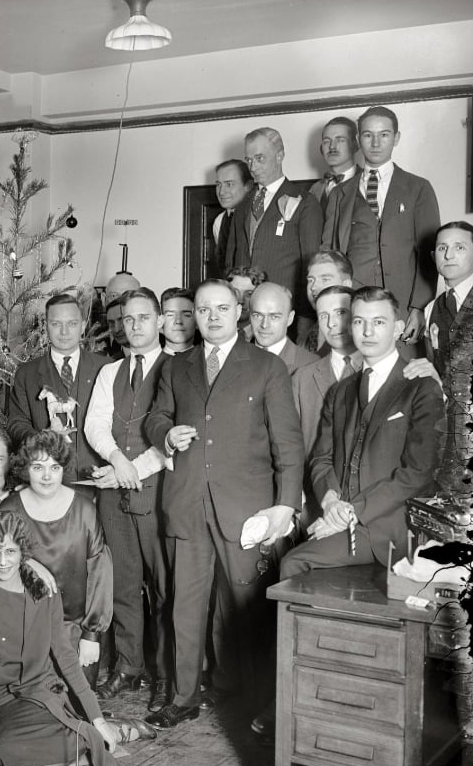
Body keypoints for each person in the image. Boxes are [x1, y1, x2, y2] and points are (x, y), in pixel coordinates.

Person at [144, 278, 303, 729]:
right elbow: (158, 415)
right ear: (192, 316)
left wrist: (286, 505)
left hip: (246, 510)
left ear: (239, 312)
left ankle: (260, 703)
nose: (211, 317)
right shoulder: (177, 367)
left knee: (248, 610)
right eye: (202, 309)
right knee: (185, 605)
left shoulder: (265, 367)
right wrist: (165, 433)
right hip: (188, 502)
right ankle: (183, 696)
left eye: (221, 308)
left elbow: (288, 446)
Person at [0, 511, 141, 766]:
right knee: (2, 747)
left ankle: (106, 725)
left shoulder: (43, 591)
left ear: (23, 552)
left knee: (74, 740)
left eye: (12, 552)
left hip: (31, 694)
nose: (3, 562)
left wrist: (97, 717)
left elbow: (65, 655)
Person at [280, 286, 444, 580]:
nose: (367, 331)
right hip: (343, 517)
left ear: (397, 329)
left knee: (295, 563)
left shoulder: (421, 386)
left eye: (378, 322)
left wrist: (351, 514)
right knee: (295, 558)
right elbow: (321, 458)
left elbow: (418, 473)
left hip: (390, 527)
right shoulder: (341, 390)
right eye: (358, 321)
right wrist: (330, 503)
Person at [85, 288, 173, 711]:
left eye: (144, 318)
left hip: (157, 494)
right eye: (128, 319)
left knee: (161, 587)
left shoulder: (178, 369)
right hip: (113, 493)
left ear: (160, 322)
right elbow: (95, 425)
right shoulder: (110, 372)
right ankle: (128, 666)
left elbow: (178, 437)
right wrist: (118, 460)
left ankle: (165, 673)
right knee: (122, 583)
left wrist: (133, 470)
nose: (135, 326)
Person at [0, 430, 112, 689]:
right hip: (24, 632)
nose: (47, 476)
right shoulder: (8, 510)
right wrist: (24, 560)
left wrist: (91, 635)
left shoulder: (85, 510)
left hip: (76, 630)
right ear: (26, 469)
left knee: (79, 711)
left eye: (54, 467)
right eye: (38, 467)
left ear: (64, 468)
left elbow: (100, 574)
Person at [323, 106, 441, 347]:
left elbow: (429, 256)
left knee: (405, 379)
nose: (375, 143)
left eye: (384, 135)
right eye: (368, 135)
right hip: (353, 310)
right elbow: (330, 256)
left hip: (402, 312)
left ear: (396, 138)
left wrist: (418, 308)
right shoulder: (339, 194)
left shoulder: (418, 188)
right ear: (358, 139)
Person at [226, 127, 323, 338]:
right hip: (244, 318)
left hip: (285, 315)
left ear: (280, 156)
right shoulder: (243, 206)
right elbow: (231, 264)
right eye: (249, 160)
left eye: (260, 158)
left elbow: (311, 266)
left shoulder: (305, 203)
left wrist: (305, 317)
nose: (253, 167)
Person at [6, 293, 109, 482]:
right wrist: (42, 439)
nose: (64, 332)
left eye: (71, 323)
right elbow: (16, 423)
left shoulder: (107, 368)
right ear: (46, 327)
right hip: (47, 481)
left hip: (98, 478)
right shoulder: (26, 374)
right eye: (56, 324)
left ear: (83, 326)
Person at [423, 220, 473, 495]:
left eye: (459, 247)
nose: (448, 255)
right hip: (448, 438)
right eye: (442, 248)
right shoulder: (432, 309)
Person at [292, 285, 359, 465]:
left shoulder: (380, 370)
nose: (331, 323)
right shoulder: (302, 378)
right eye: (324, 316)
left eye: (340, 312)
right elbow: (291, 445)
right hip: (315, 486)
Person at [248, 282, 319, 376]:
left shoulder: (312, 365)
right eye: (257, 315)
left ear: (290, 318)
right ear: (250, 316)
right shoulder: (230, 357)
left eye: (274, 317)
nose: (264, 325)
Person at [301, 249, 356, 353]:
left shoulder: (359, 331)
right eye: (311, 280)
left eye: (325, 279)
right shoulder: (307, 336)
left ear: (346, 285)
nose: (313, 287)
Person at [211, 159, 254, 276]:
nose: (221, 192)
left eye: (229, 184)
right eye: (218, 185)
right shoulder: (219, 222)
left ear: (248, 186)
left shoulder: (259, 217)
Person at [309, 117, 361, 211]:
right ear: (321, 149)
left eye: (340, 140)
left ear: (355, 145)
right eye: (326, 141)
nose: (332, 146)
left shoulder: (366, 182)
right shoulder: (314, 189)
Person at [225, 267, 266, 342]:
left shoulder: (268, 337)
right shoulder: (207, 335)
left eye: (249, 294)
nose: (241, 300)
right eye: (235, 292)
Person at [160, 287, 196, 354]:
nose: (178, 321)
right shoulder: (145, 362)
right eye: (170, 315)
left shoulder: (209, 361)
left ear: (197, 321)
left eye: (186, 315)